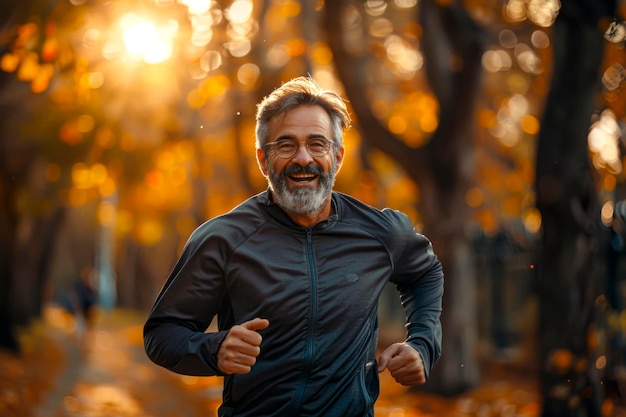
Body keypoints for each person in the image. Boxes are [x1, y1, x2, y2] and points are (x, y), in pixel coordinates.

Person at [143, 76, 444, 416]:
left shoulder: (380, 232)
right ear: (262, 159)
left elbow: (425, 272)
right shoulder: (223, 239)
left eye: (317, 144)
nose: (303, 158)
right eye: (285, 145)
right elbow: (162, 333)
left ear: (338, 156)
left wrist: (422, 344)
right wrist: (213, 350)